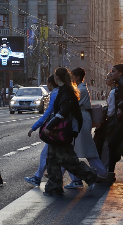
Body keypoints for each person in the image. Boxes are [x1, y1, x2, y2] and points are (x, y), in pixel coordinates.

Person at [42, 67, 97, 196]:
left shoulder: (66, 92)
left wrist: (50, 126)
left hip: (62, 131)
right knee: (52, 159)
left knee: (68, 160)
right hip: (60, 131)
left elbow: (63, 112)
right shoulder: (65, 90)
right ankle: (54, 187)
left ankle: (91, 176)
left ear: (56, 78)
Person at [62, 67, 107, 188]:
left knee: (79, 150)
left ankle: (83, 177)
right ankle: (100, 173)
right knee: (80, 150)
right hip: (82, 119)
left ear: (76, 77)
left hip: (81, 119)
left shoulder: (80, 90)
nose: (72, 79)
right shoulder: (82, 88)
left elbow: (72, 105)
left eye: (73, 76)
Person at [24, 75, 59, 186]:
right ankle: (37, 177)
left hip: (56, 128)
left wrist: (34, 127)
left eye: (47, 83)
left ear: (50, 83)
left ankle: (83, 178)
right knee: (64, 156)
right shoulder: (60, 92)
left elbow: (48, 113)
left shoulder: (55, 94)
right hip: (61, 128)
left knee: (65, 158)